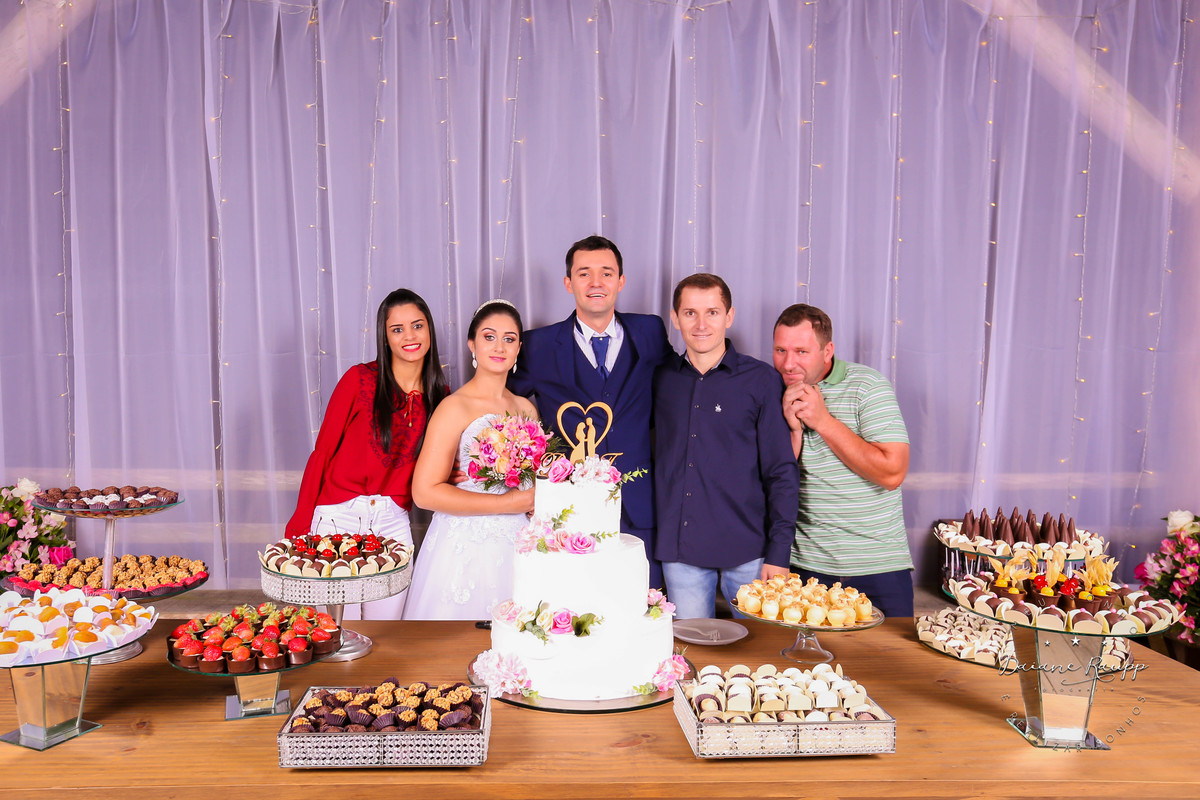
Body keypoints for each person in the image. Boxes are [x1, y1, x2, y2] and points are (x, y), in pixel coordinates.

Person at [510, 235, 671, 587]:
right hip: (568, 506)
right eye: (584, 273)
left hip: (641, 505)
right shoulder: (538, 344)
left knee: (643, 604)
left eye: (606, 273)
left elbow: (680, 387)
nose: (596, 283)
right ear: (568, 283)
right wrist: (478, 460)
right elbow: (503, 407)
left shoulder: (650, 331)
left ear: (621, 281)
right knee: (576, 605)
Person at [286, 288, 449, 619]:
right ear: (385, 337)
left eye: (417, 326)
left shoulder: (440, 396)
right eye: (397, 329)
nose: (409, 336)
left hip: (393, 523)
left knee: (386, 631)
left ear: (429, 329)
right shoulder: (359, 380)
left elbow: (439, 464)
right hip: (337, 517)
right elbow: (322, 452)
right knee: (336, 631)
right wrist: (300, 526)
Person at [653, 274, 799, 620]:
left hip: (749, 551)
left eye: (712, 312)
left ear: (729, 316)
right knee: (691, 648)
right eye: (690, 313)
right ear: (675, 318)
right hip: (681, 553)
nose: (701, 324)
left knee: (762, 650)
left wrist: (779, 553)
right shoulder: (660, 378)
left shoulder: (762, 380)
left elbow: (781, 472)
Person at [772, 303, 914, 617]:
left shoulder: (868, 386)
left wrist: (823, 421)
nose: (788, 363)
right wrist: (793, 432)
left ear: (828, 351)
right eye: (780, 350)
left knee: (893, 650)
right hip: (805, 569)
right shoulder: (770, 390)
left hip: (878, 568)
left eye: (801, 351)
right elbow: (768, 483)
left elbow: (892, 473)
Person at [404, 300, 538, 620]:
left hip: (519, 540)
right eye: (489, 336)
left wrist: (534, 502)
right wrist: (507, 503)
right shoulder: (455, 407)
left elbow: (531, 482)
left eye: (509, 339)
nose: (499, 347)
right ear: (472, 344)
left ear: (518, 348)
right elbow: (424, 493)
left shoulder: (526, 408)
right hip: (464, 543)